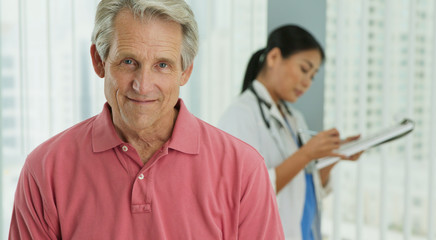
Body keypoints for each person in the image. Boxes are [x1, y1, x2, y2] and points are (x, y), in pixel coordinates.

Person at [8, 0, 285, 239]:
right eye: (129, 61)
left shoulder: (244, 171)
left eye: (162, 65)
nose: (143, 85)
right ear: (99, 61)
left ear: (185, 71)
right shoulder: (44, 170)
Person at [218, 25, 362, 240]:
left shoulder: (294, 118)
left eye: (313, 76)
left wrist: (334, 157)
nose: (308, 82)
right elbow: (245, 196)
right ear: (274, 57)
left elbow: (304, 185)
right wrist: (307, 154)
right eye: (304, 69)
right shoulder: (241, 115)